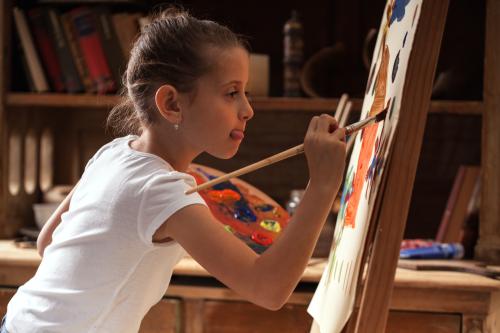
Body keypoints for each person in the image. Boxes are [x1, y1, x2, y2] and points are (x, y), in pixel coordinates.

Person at [2, 7, 346, 333]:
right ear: (171, 103)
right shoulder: (163, 190)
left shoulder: (113, 153)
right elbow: (268, 289)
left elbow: (48, 242)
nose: (247, 110)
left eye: (246, 93)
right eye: (231, 93)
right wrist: (322, 185)